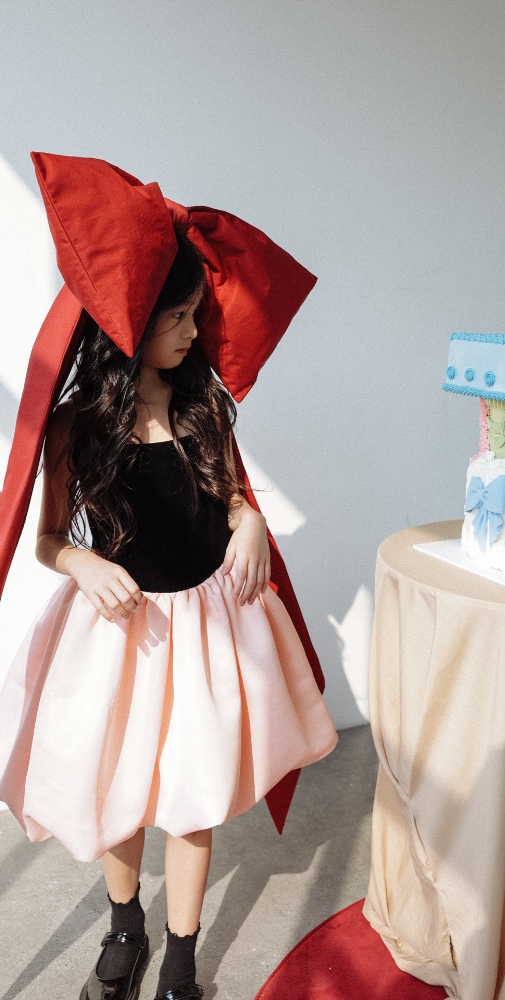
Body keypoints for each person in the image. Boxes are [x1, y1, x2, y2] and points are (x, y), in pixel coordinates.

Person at [0, 154, 338, 1000]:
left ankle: (181, 953)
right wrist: (81, 561)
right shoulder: (78, 428)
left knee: (192, 794)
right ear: (126, 327)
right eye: (176, 317)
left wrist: (250, 523)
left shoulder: (203, 406)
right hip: (120, 637)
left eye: (195, 314)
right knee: (117, 786)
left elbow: (231, 499)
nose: (192, 333)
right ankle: (126, 926)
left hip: (206, 631)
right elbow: (47, 539)